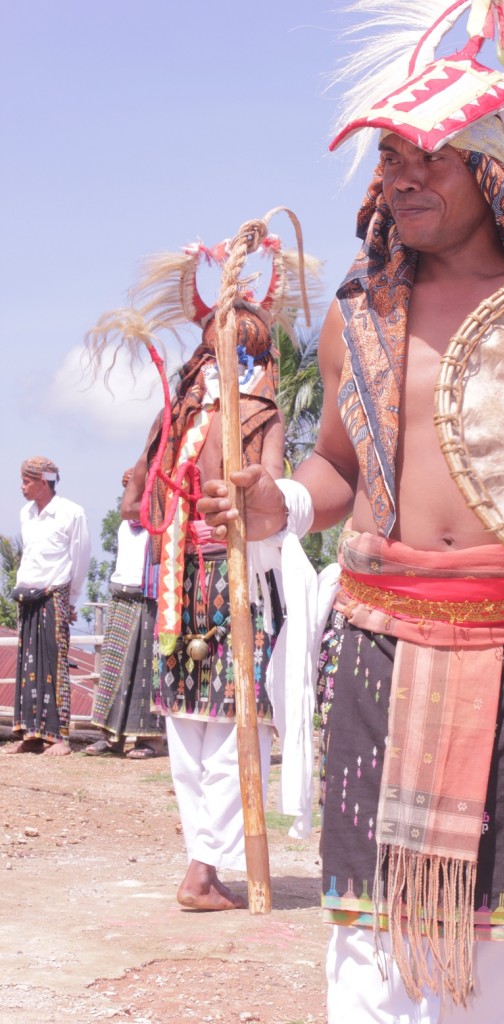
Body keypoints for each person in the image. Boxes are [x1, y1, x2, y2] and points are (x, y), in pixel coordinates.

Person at [197, 2, 504, 1019]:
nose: (399, 175)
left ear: (489, 173)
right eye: (389, 155)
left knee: (498, 955)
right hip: (380, 641)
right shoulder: (360, 306)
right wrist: (277, 502)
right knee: (368, 943)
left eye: (427, 157)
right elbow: (340, 469)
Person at [85, 225, 316, 911]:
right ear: (257, 352)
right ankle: (202, 869)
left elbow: (134, 506)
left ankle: (203, 865)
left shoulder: (177, 414)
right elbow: (264, 496)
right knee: (231, 722)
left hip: (183, 589)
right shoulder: (253, 412)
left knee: (195, 727)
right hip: (222, 586)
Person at [8, 455, 91, 756]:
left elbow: (80, 559)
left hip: (55, 594)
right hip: (27, 595)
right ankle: (31, 734)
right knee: (28, 664)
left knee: (54, 662)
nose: (22, 487)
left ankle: (59, 737)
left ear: (43, 482)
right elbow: (29, 556)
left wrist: (71, 598)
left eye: (27, 481)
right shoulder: (26, 513)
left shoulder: (72, 513)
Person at [85, 469, 165, 759]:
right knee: (113, 670)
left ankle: (150, 740)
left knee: (147, 671)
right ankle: (110, 737)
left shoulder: (160, 523)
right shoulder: (124, 525)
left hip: (148, 600)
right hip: (122, 597)